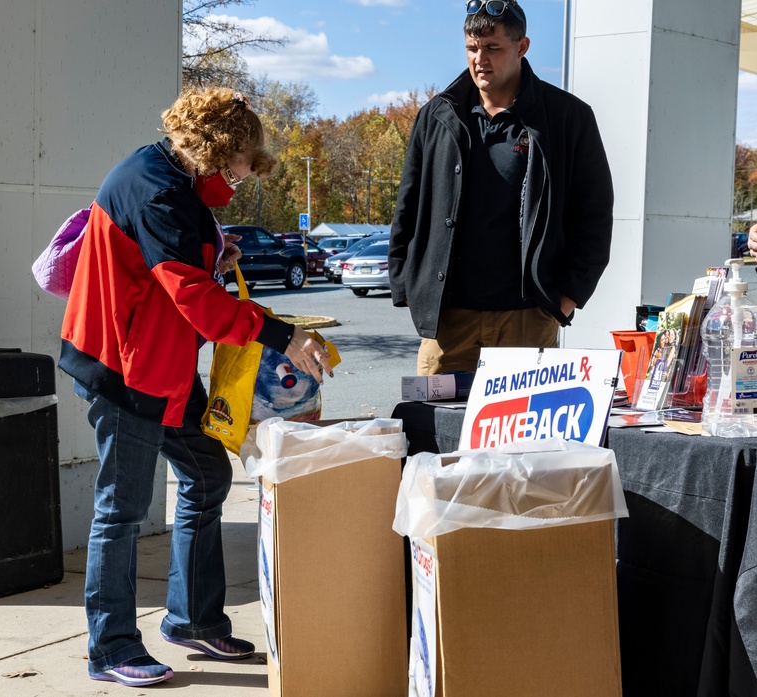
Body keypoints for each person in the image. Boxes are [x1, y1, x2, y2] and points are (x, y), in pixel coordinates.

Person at [58, 87, 335, 687]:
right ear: (216, 150)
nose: (243, 176)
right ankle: (109, 648)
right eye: (240, 164)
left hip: (162, 365)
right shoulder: (156, 190)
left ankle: (190, 620)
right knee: (122, 509)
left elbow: (177, 261)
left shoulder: (172, 178)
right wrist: (283, 335)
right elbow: (200, 305)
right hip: (123, 371)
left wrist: (217, 248)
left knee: (206, 475)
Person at [388, 0, 614, 375]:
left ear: (522, 47)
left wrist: (567, 298)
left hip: (527, 318)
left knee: (523, 434)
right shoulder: (437, 115)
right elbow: (408, 205)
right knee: (437, 431)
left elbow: (593, 215)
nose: (480, 59)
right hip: (448, 323)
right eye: (472, 48)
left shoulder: (567, 117)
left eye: (493, 48)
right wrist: (407, 287)